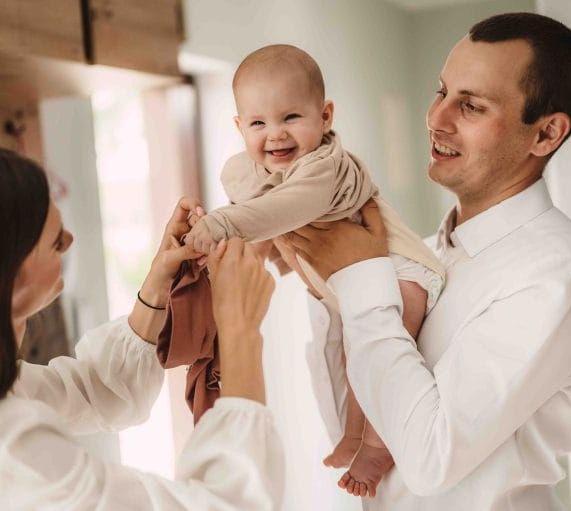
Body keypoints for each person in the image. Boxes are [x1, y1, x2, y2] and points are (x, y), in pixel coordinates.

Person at [284, 12, 571, 509]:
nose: (436, 119)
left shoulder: (562, 272)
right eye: (441, 92)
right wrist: (324, 281)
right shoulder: (421, 256)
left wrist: (360, 282)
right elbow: (354, 430)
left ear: (545, 135)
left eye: (472, 106)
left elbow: (429, 459)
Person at [0, 145, 283, 510]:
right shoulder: (7, 456)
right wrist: (241, 329)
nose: (70, 241)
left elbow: (95, 392)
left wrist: (158, 285)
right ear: (4, 276)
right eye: (56, 240)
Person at [183, 44, 445, 494]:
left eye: (291, 118)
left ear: (325, 117)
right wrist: (235, 255)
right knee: (354, 350)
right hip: (344, 282)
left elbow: (282, 210)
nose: (276, 135)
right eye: (258, 123)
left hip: (402, 269)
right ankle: (357, 431)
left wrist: (222, 225)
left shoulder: (323, 166)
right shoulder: (253, 170)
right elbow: (267, 227)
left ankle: (379, 442)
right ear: (239, 127)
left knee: (389, 333)